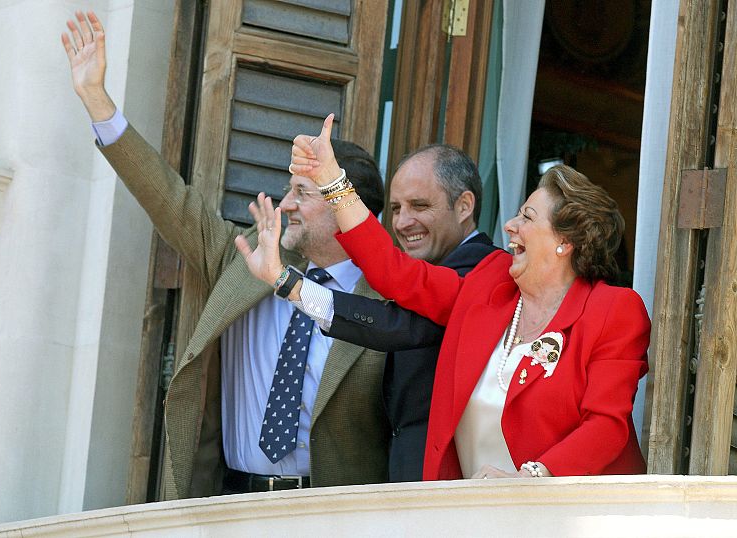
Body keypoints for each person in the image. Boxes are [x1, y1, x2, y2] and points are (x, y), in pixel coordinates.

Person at [61, 13, 390, 497]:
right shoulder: (245, 260)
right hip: (230, 504)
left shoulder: (388, 306)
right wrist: (96, 99)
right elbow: (169, 198)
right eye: (286, 190)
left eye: (304, 192)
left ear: (347, 203)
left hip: (329, 518)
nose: (287, 204)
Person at [239, 114, 650, 479]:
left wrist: (533, 480)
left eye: (527, 217)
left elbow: (606, 425)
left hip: (573, 515)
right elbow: (394, 273)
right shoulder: (490, 284)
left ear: (565, 242)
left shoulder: (614, 310)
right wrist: (332, 182)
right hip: (474, 516)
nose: (509, 226)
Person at [275, 145, 498, 481]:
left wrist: (290, 285)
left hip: (449, 492)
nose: (404, 222)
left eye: (419, 206)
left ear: (464, 206)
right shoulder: (429, 268)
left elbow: (392, 323)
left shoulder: (485, 271)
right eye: (395, 208)